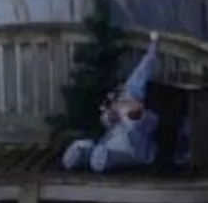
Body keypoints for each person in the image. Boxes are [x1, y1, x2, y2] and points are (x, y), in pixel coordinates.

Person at [61, 33, 161, 173]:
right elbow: (106, 120)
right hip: (109, 144)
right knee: (81, 146)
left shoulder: (147, 117)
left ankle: (98, 159)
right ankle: (75, 160)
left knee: (101, 157)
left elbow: (141, 122)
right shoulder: (120, 102)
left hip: (130, 153)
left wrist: (132, 114)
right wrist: (111, 116)